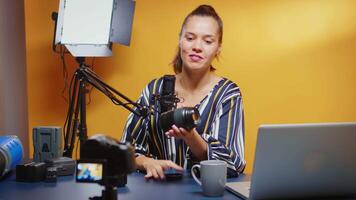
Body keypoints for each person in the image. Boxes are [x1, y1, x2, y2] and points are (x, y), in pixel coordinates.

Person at [121, 4, 246, 180]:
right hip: (157, 191)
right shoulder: (154, 89)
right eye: (190, 38)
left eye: (208, 41)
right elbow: (125, 150)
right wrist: (147, 162)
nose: (197, 46)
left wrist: (191, 137)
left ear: (218, 47)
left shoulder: (227, 94)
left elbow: (232, 164)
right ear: (180, 40)